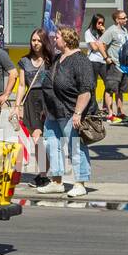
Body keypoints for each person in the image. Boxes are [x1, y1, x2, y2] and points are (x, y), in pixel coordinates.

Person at [32, 27, 96, 197]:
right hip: (53, 112)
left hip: (70, 112)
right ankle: (57, 182)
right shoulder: (59, 58)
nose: (54, 39)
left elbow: (86, 89)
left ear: (67, 40)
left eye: (58, 37)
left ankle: (80, 183)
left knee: (76, 147)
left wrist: (78, 113)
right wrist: (46, 108)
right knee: (52, 146)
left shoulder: (80, 60)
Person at [15, 28, 54, 188]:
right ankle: (44, 173)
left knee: (43, 139)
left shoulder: (50, 60)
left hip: (47, 99)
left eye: (38, 40)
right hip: (31, 101)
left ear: (44, 42)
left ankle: (46, 172)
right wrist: (17, 106)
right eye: (33, 40)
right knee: (36, 140)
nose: (35, 43)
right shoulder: (24, 61)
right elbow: (22, 85)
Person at [100, 10, 128, 123]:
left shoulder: (124, 30)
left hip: (124, 66)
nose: (126, 19)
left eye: (126, 17)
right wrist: (106, 58)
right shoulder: (111, 30)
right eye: (123, 18)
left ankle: (120, 113)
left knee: (120, 91)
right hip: (114, 66)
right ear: (117, 19)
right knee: (110, 89)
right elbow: (100, 44)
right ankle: (110, 115)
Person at [84, 14, 108, 105]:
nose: (101, 25)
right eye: (99, 23)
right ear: (94, 22)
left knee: (108, 83)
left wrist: (104, 34)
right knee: (93, 85)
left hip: (103, 60)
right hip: (93, 60)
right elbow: (94, 48)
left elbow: (105, 47)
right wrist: (101, 44)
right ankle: (94, 107)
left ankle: (106, 106)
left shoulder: (103, 33)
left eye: (102, 23)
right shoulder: (88, 32)